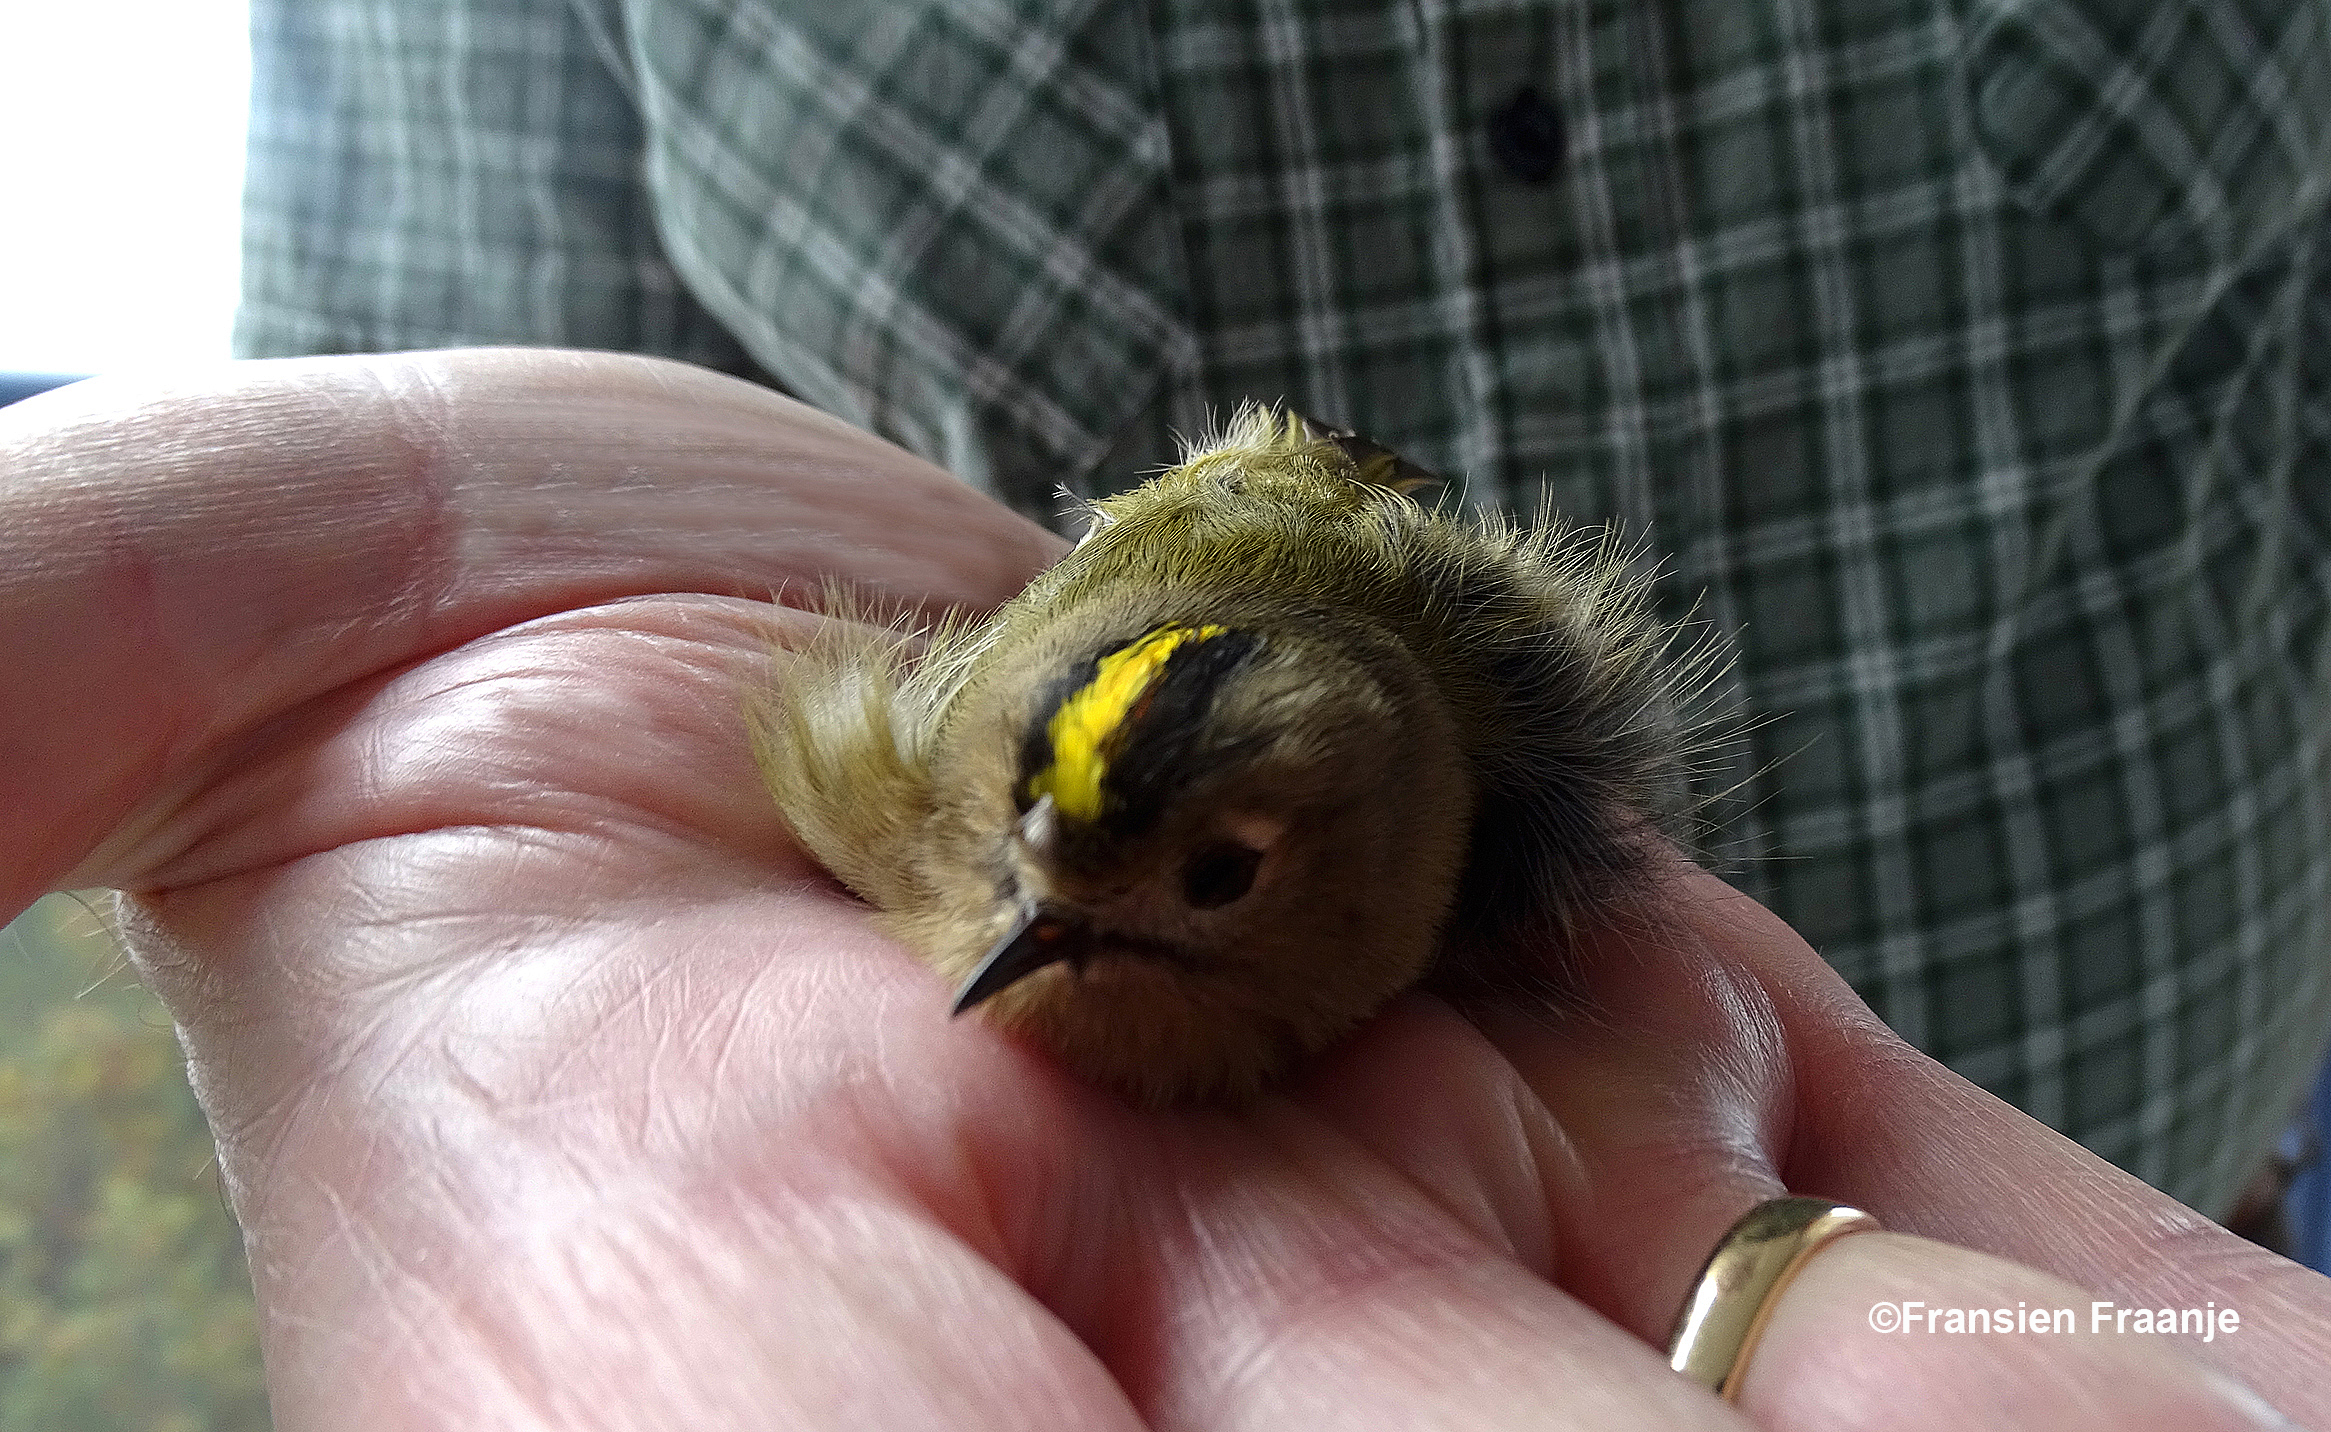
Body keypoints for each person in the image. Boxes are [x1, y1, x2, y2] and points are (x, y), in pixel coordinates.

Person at [236, 0, 2331, 1226]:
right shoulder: (963, 822)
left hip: (2149, 1214)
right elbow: (456, 476)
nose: (1023, 910)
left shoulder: (1475, 736)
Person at [3, 349, 2327, 1426]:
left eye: (1207, 877)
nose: (1028, 926)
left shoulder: (1493, 787)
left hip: (2184, 1127)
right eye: (1028, 845)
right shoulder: (942, 791)